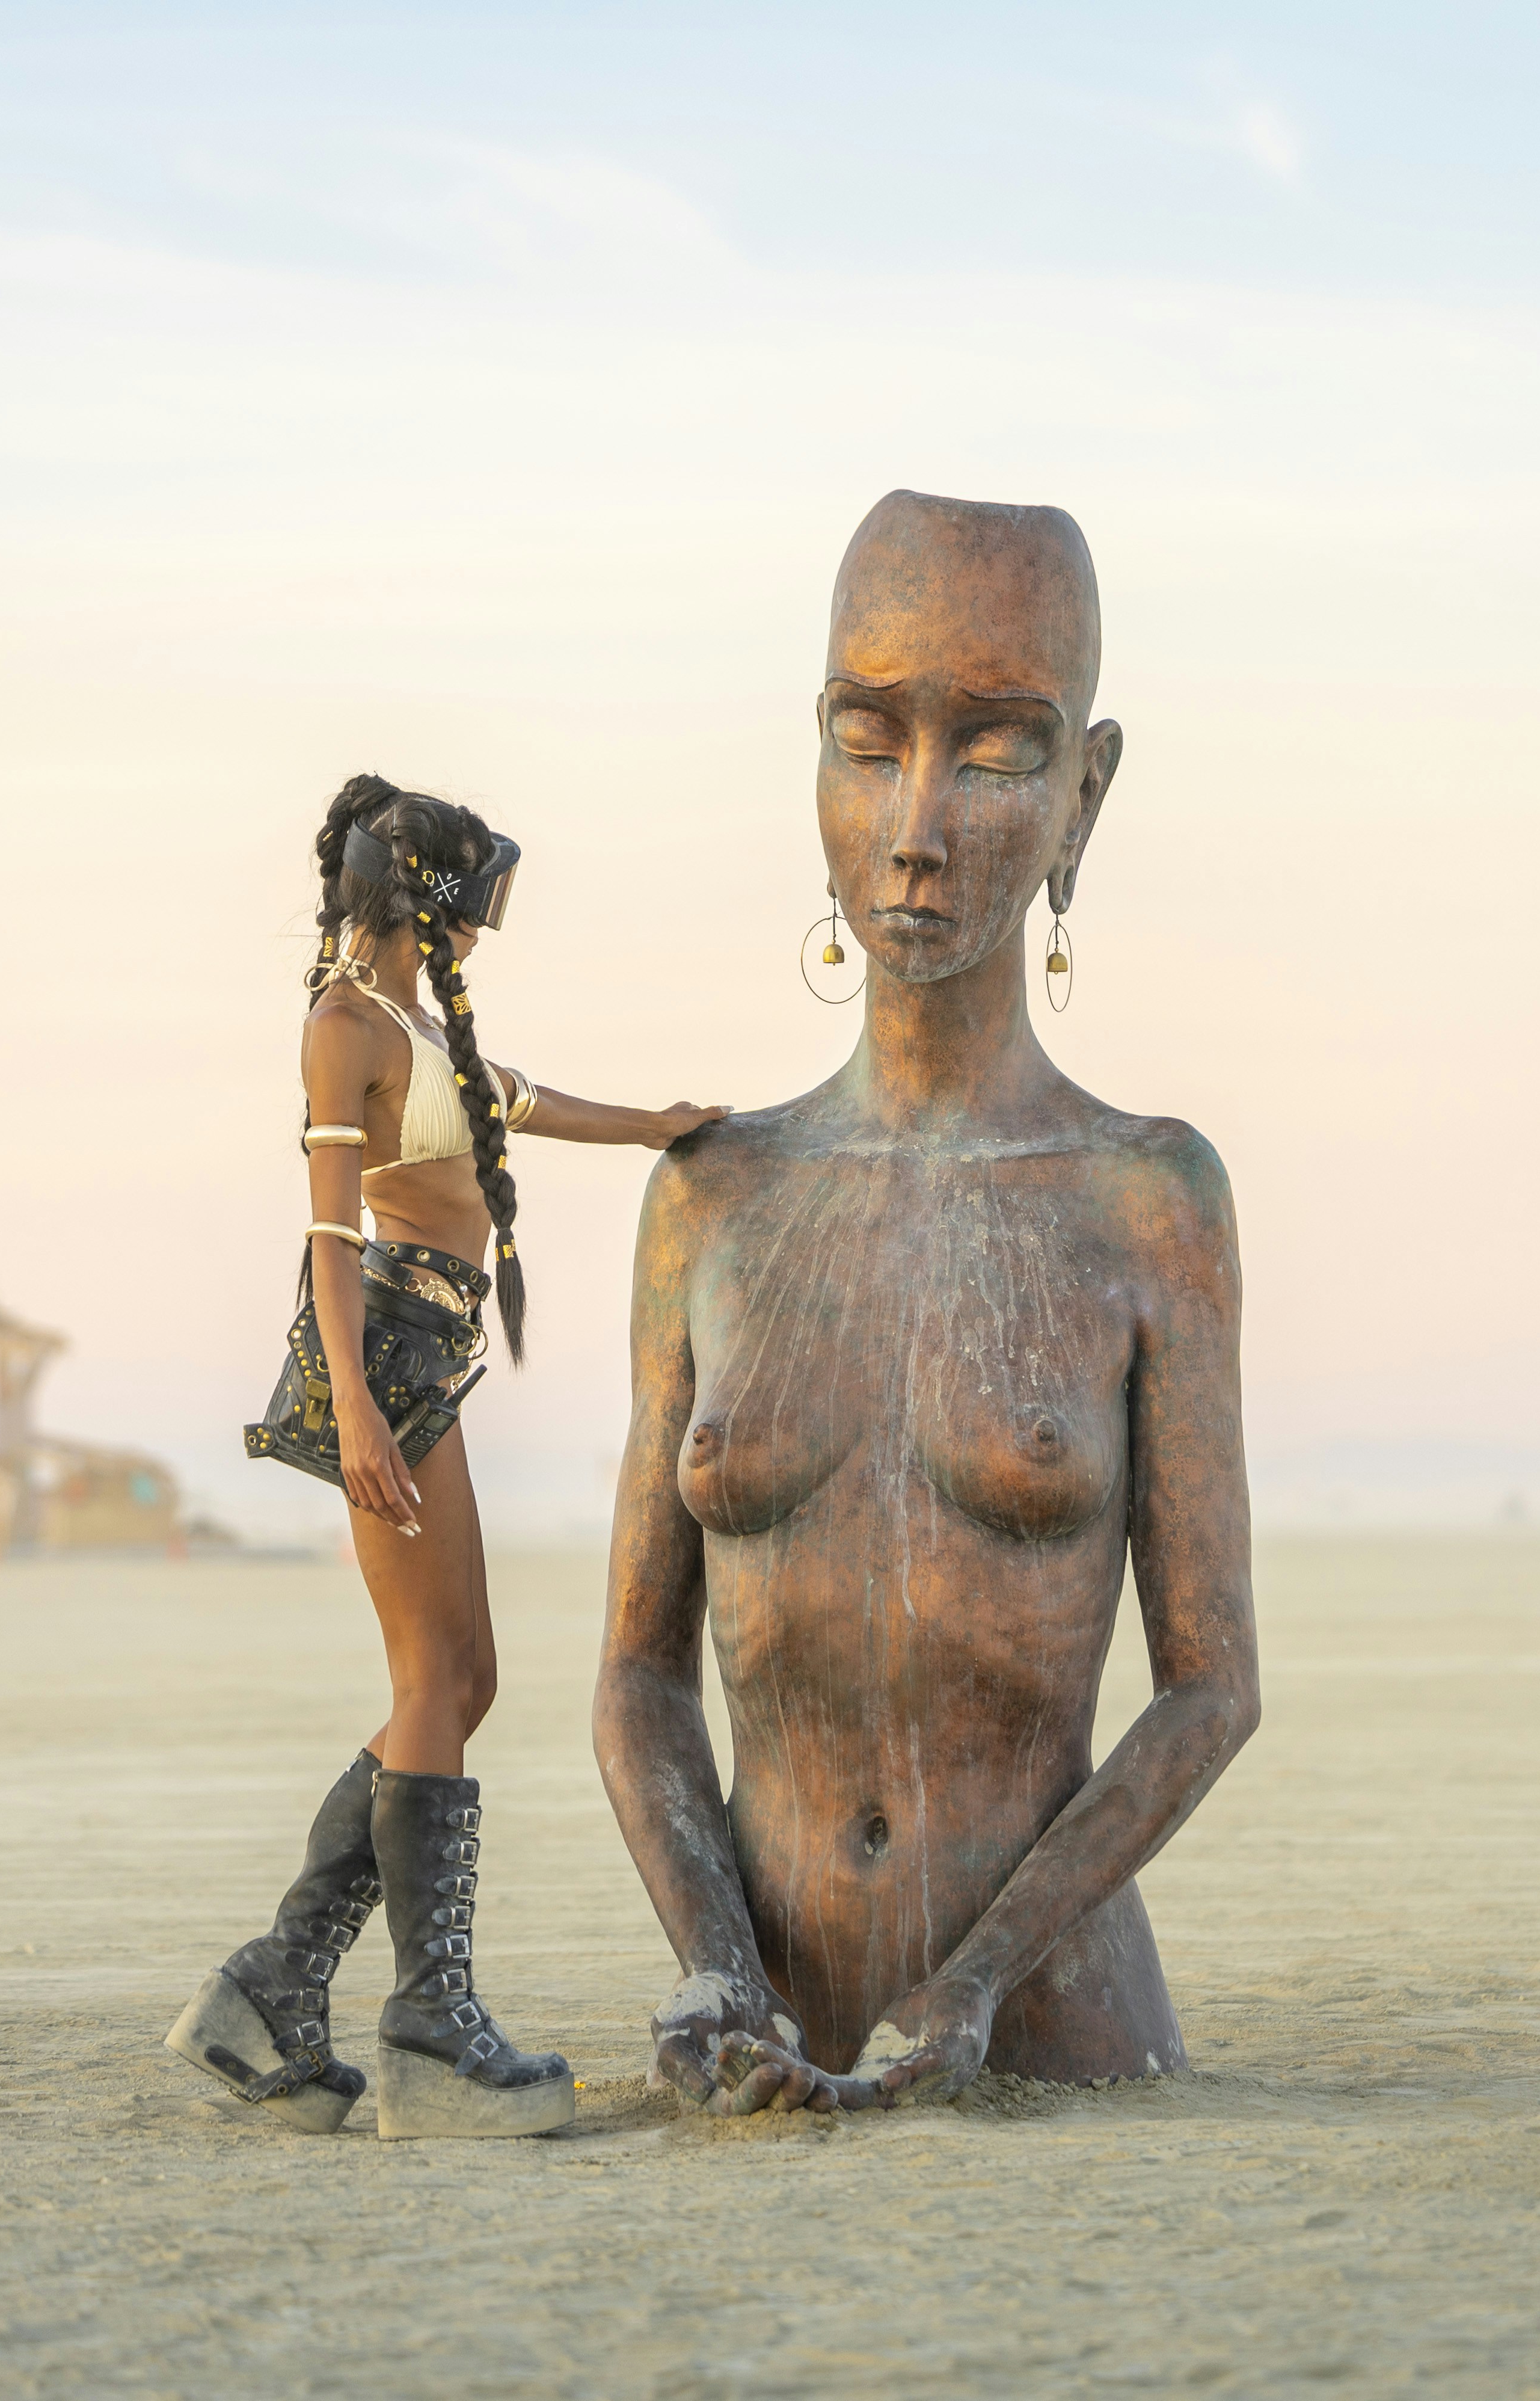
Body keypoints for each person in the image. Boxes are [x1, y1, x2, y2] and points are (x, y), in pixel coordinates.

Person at [593, 492, 1259, 2117]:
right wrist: (714, 1967)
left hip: (1053, 2046)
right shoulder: (712, 1197)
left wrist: (971, 1985)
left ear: (1084, 794)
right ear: (813, 755)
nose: (915, 824)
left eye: (996, 751)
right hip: (761, 2034)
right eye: (867, 737)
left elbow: (1209, 1686)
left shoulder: (1143, 1199)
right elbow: (636, 1678)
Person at [167, 773, 727, 2138]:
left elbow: (524, 1106)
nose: (480, 931)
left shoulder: (418, 1024)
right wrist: (358, 1409)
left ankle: (270, 1989)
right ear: (419, 898)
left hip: (427, 1354)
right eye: (470, 905)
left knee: (463, 1678)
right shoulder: (342, 1027)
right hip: (384, 1360)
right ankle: (426, 2027)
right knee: (435, 1677)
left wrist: (658, 1125)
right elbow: (329, 1236)